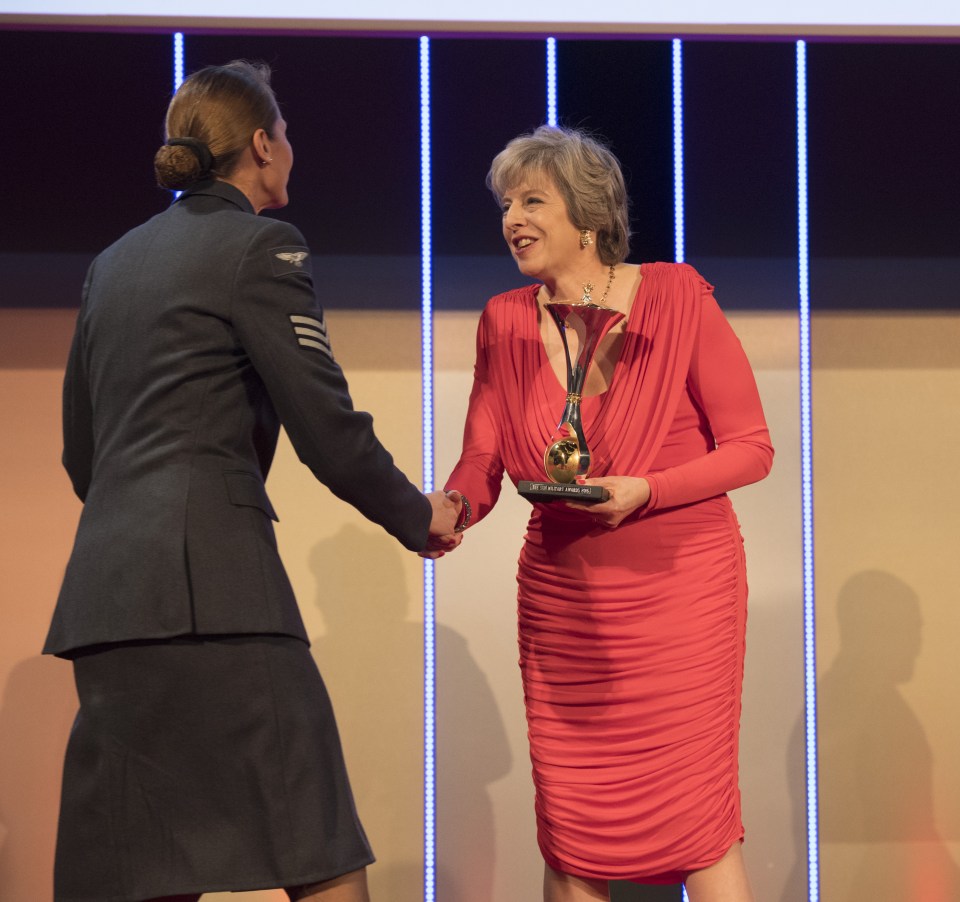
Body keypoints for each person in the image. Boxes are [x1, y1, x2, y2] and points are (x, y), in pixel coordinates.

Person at [44, 60, 460, 902]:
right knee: (320, 847)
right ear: (263, 146)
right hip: (218, 601)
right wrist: (421, 516)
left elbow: (82, 456)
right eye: (288, 135)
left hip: (108, 601)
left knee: (146, 868)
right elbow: (328, 431)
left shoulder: (112, 263)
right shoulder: (262, 246)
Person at [431, 126, 774, 901]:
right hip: (565, 608)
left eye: (531, 200)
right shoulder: (504, 319)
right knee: (572, 829)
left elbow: (752, 447)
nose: (512, 218)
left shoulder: (678, 296)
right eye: (505, 204)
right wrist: (451, 507)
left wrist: (646, 490)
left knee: (700, 823)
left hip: (680, 596)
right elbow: (482, 458)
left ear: (586, 216)